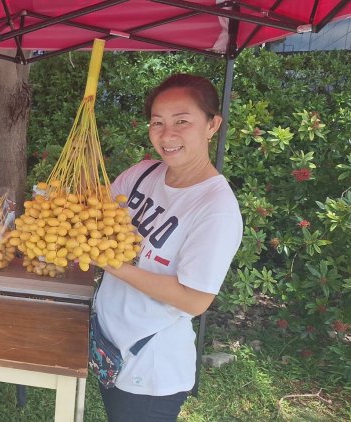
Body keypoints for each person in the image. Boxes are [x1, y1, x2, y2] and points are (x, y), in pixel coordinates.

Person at [95, 74, 243, 421]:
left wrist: (112, 264)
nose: (167, 134)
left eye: (182, 122)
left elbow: (195, 299)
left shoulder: (215, 207)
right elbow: (95, 214)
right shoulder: (143, 174)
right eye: (158, 122)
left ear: (212, 125)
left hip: (151, 367)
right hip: (111, 342)